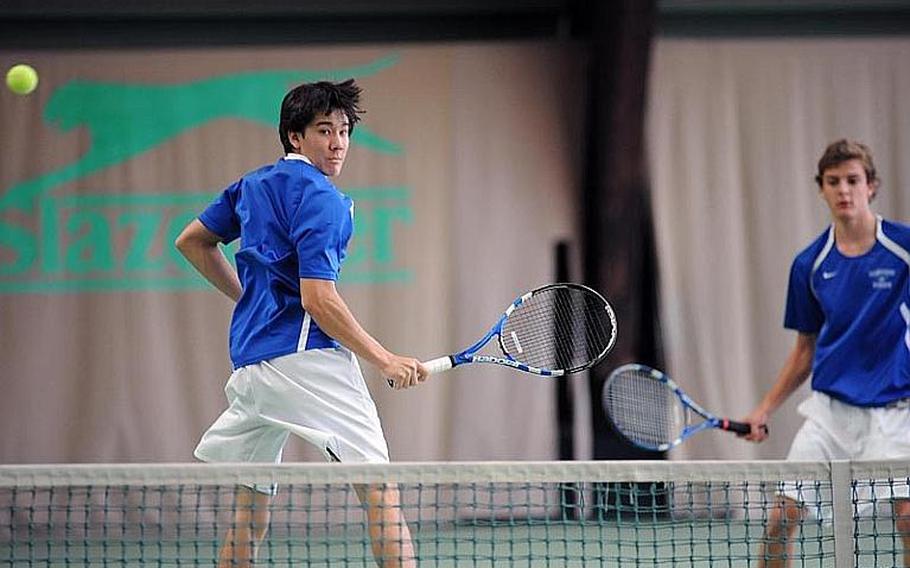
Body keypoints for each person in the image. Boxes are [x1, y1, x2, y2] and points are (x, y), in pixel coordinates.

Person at [175, 78, 428, 568]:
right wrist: (384, 358)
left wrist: (249, 299)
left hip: (251, 366)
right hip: (307, 361)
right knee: (381, 492)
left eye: (344, 131)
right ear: (295, 136)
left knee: (250, 508)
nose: (337, 143)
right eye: (323, 131)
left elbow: (191, 241)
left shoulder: (250, 185)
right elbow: (318, 299)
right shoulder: (326, 200)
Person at [742, 139, 910, 567]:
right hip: (830, 415)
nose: (844, 190)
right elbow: (804, 350)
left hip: (894, 413)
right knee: (781, 517)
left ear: (871, 186)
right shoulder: (809, 264)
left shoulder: (903, 248)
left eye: (853, 180)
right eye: (833, 182)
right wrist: (764, 409)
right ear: (821, 189)